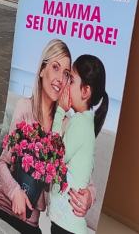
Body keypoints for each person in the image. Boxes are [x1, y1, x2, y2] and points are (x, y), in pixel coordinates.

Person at [0, 39, 95, 233]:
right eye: (55, 67)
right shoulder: (24, 108)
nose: (60, 79)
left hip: (30, 222)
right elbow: (2, 163)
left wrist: (90, 196)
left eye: (67, 73)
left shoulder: (67, 123)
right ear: (42, 70)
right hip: (1, 207)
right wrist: (15, 192)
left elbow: (85, 175)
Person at [49, 55, 109, 234]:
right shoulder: (83, 122)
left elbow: (54, 155)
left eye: (71, 80)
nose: (66, 84)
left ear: (85, 92)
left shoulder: (79, 124)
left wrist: (60, 110)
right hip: (63, 222)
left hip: (66, 225)